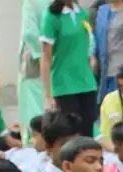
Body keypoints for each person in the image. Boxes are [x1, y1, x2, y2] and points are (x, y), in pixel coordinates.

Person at [40, 0, 99, 136]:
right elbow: (46, 58)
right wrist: (47, 96)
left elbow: (87, 42)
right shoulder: (51, 16)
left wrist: (91, 57)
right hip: (64, 84)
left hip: (87, 82)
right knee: (70, 133)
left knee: (88, 132)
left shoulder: (83, 14)